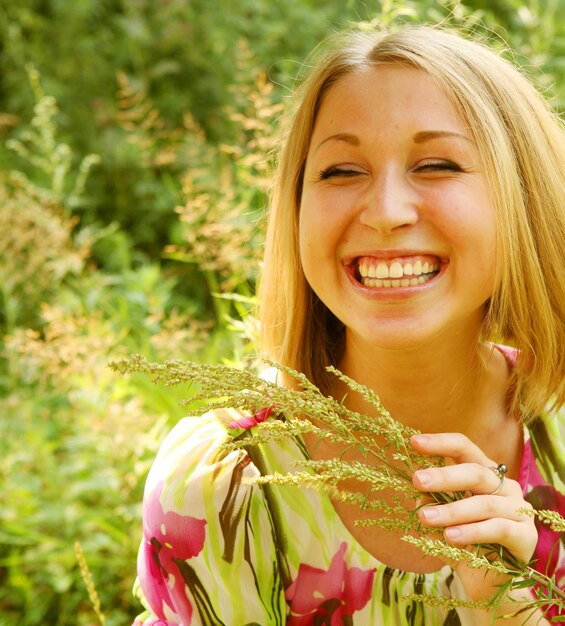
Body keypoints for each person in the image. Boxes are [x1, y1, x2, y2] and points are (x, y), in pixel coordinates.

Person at [132, 24, 565, 626]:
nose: (387, 212)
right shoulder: (222, 488)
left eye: (437, 164)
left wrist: (510, 607)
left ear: (523, 198)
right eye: (341, 171)